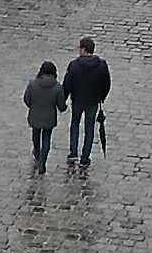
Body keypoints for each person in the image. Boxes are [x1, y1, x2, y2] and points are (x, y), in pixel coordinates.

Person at [61, 38, 111, 166]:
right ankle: (85, 157)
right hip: (93, 102)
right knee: (89, 128)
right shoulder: (101, 65)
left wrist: (63, 99)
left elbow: (67, 84)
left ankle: (73, 152)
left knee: (75, 124)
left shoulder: (74, 65)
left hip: (77, 100)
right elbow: (106, 84)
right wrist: (102, 97)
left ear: (83, 49)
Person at [24, 62, 67, 171]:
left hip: (35, 116)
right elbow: (61, 106)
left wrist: (33, 106)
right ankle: (43, 162)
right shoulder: (57, 87)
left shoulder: (32, 84)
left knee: (35, 134)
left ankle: (37, 153)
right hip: (49, 118)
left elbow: (27, 99)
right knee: (46, 138)